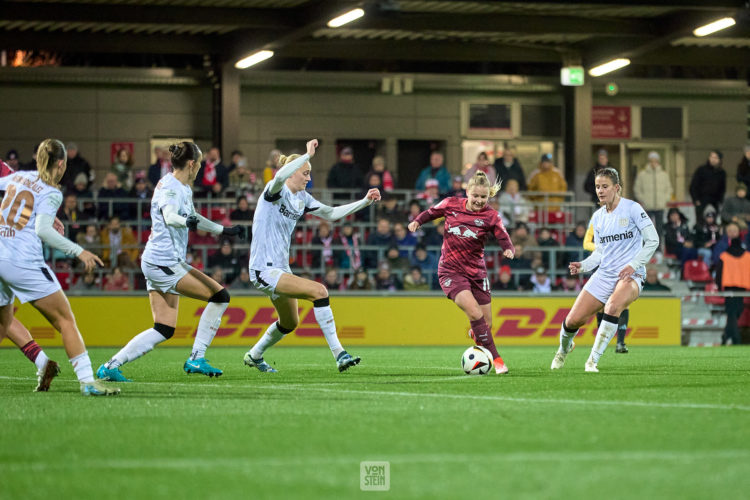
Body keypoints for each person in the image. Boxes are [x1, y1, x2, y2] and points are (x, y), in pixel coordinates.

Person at [96, 141, 248, 382]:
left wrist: (223, 230)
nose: (199, 168)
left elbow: (193, 216)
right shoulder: (170, 186)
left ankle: (110, 366)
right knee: (220, 297)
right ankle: (197, 357)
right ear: (191, 164)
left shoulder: (181, 186)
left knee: (164, 328)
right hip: (163, 262)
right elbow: (170, 216)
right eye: (199, 164)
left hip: (162, 260)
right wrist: (185, 223)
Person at [244, 139, 380, 373]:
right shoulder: (274, 191)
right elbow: (278, 178)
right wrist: (306, 155)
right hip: (263, 269)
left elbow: (332, 214)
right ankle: (340, 354)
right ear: (293, 171)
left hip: (280, 269)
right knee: (320, 291)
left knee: (290, 322)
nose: (309, 178)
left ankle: (254, 355)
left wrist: (364, 202)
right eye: (305, 173)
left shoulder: (302, 199)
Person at [0, 139, 118, 395]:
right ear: (62, 163)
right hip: (23, 262)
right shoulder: (51, 192)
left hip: (0, 256)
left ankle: (43, 363)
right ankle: (87, 381)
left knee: (3, 324)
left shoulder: (18, 177)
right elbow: (43, 231)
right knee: (65, 320)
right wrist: (79, 251)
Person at [550, 168, 659, 372]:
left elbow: (653, 240)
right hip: (605, 274)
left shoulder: (633, 209)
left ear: (616, 188)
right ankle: (563, 350)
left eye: (605, 186)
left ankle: (592, 361)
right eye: (598, 187)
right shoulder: (598, 217)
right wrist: (583, 266)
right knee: (572, 321)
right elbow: (600, 253)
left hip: (631, 275)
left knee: (612, 307)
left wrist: (634, 265)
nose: (600, 191)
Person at [408, 171, 515, 374]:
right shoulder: (451, 204)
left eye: (483, 197)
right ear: (467, 192)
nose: (479, 200)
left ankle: (479, 338)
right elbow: (431, 212)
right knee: (474, 313)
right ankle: (497, 360)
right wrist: (417, 221)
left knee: (487, 324)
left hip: (477, 273)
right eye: (475, 196)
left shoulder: (491, 215)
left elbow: (502, 234)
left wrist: (508, 248)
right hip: (451, 270)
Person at [715, 236, 750, 345]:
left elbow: (719, 273)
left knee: (731, 312)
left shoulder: (724, 256)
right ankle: (735, 338)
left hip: (729, 288)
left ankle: (727, 335)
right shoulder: (747, 256)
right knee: (736, 312)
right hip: (742, 288)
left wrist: (719, 287)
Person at [633, 151, 672, 239]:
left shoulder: (664, 175)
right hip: (647, 207)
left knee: (659, 228)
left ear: (658, 161)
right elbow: (637, 189)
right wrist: (643, 200)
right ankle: (647, 249)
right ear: (649, 161)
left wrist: (665, 199)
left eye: (655, 160)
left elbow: (669, 189)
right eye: (652, 161)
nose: (653, 163)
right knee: (646, 229)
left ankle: (658, 250)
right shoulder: (642, 175)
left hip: (660, 206)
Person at [690, 150, 726, 223]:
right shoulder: (701, 170)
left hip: (715, 202)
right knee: (700, 223)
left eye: (715, 157)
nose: (713, 159)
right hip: (702, 201)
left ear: (720, 160)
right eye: (711, 157)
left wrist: (720, 201)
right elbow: (693, 186)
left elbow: (722, 189)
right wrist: (696, 200)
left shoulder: (722, 173)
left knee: (713, 222)